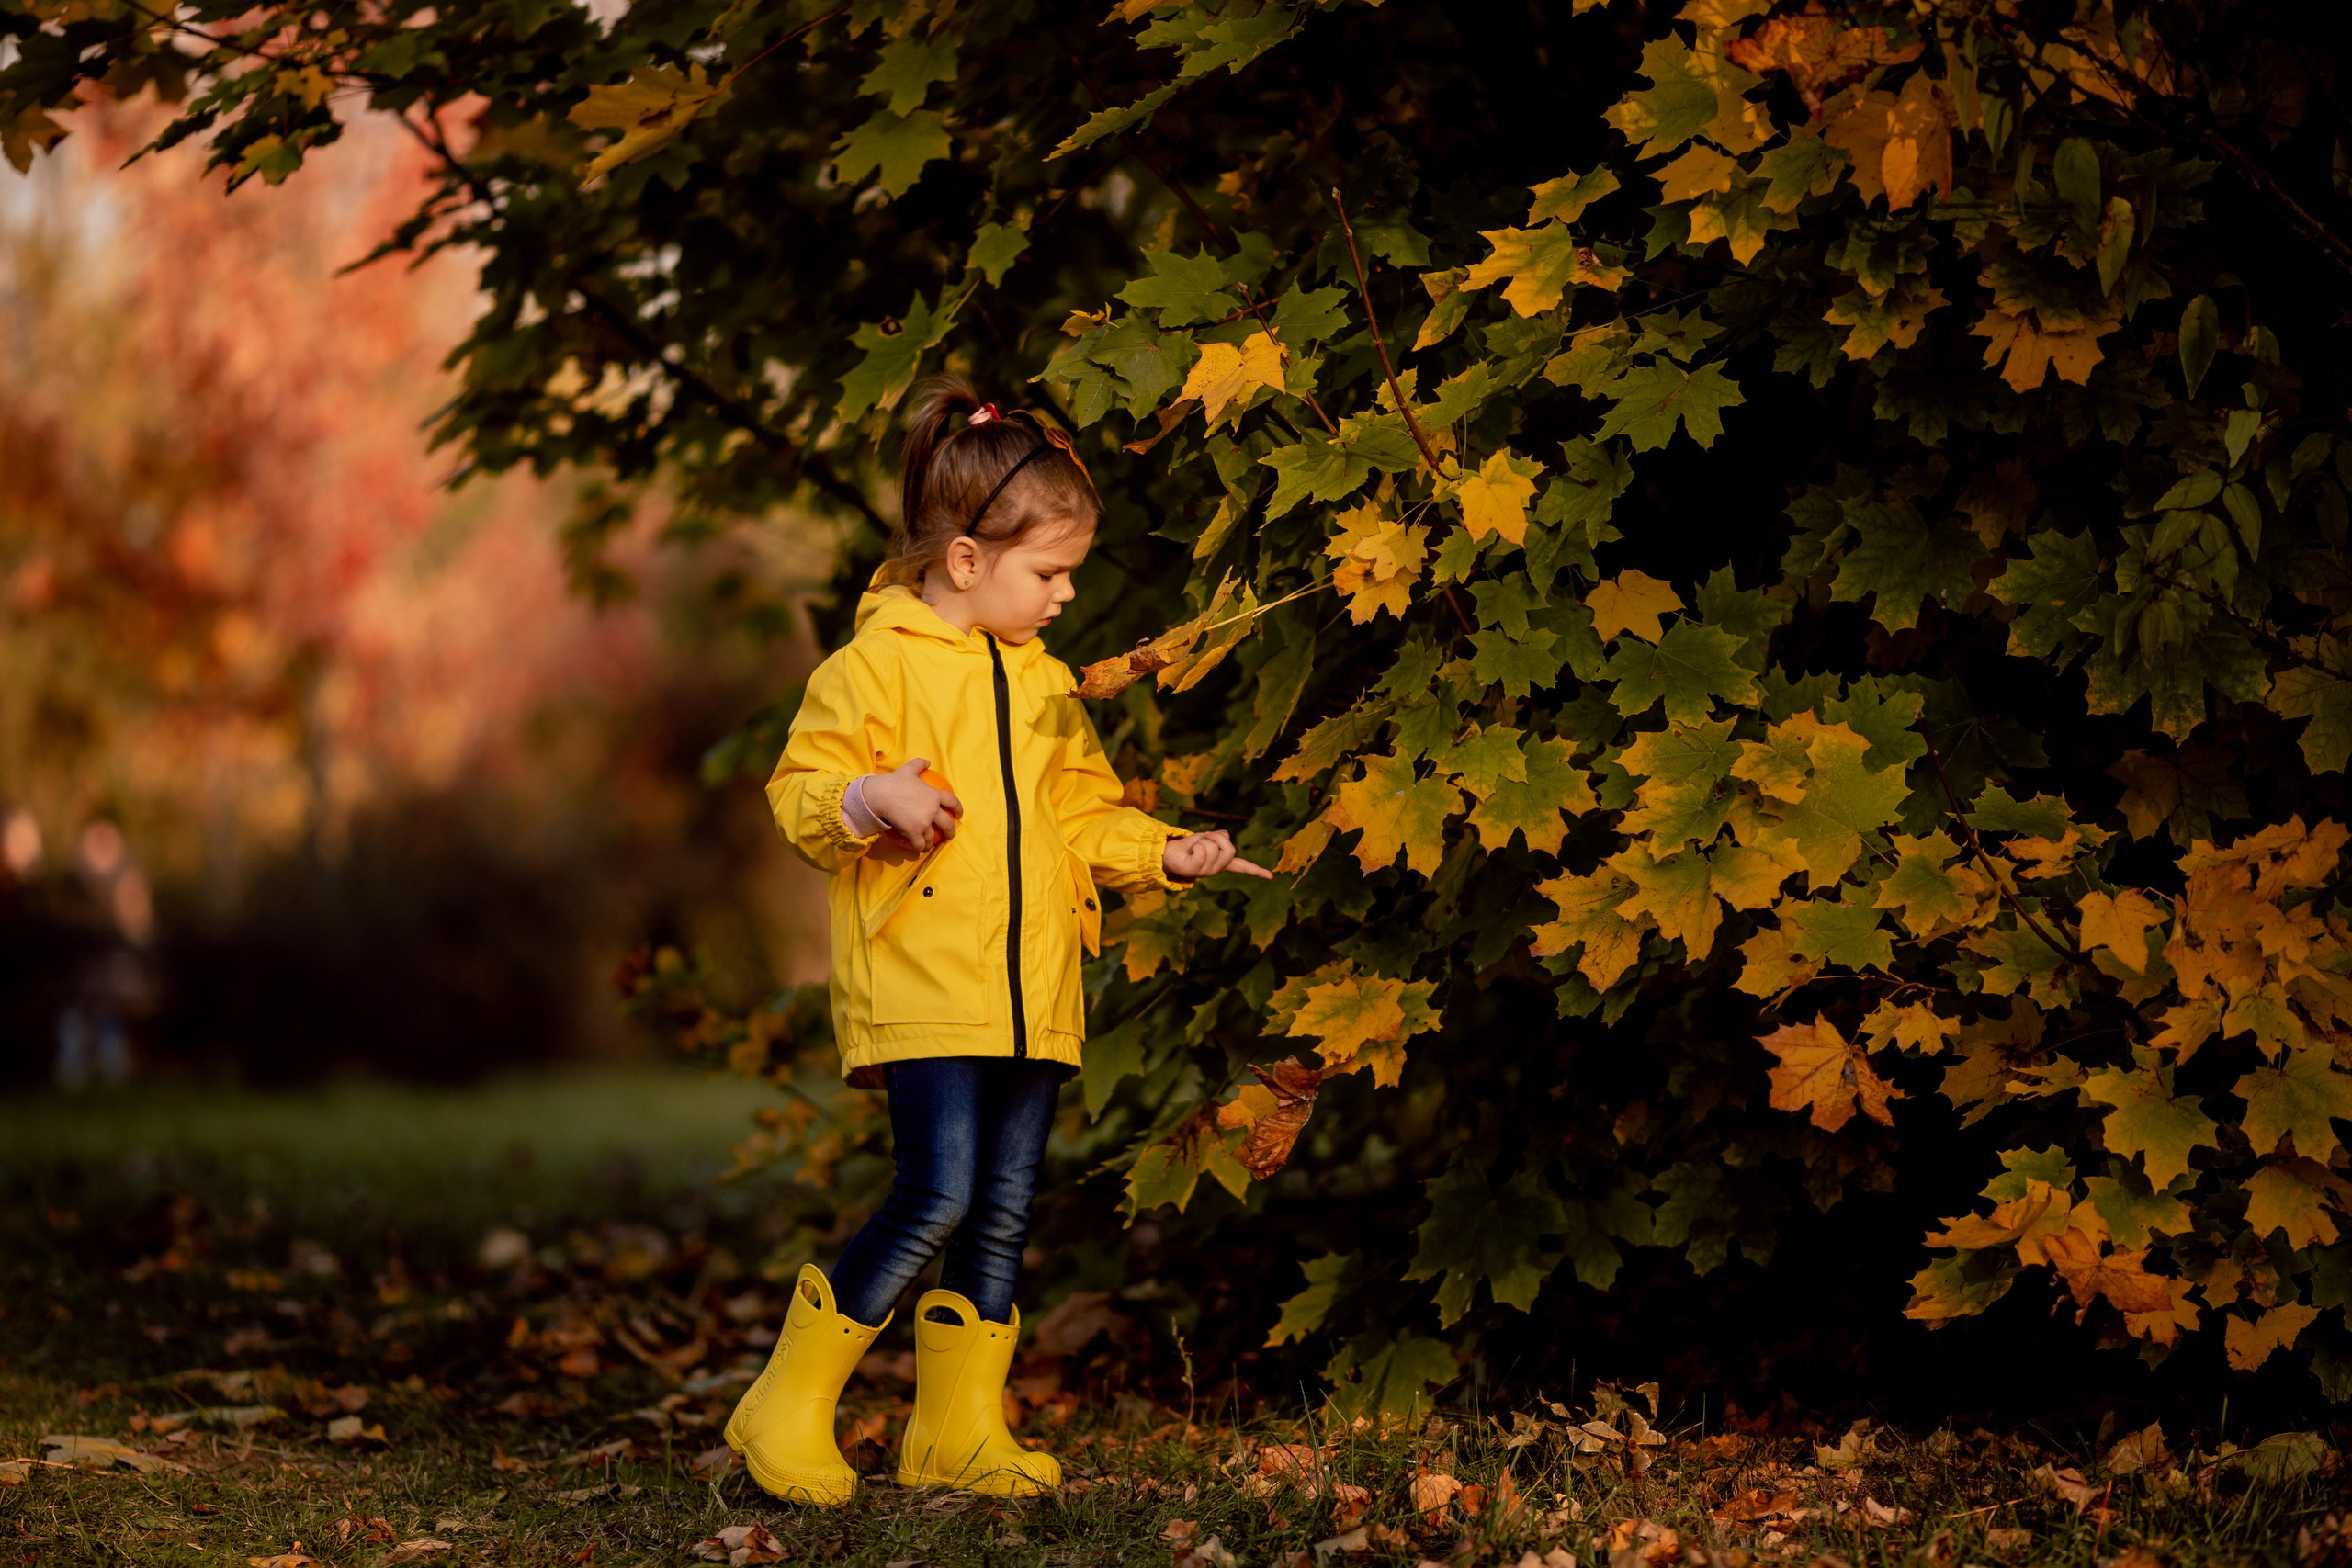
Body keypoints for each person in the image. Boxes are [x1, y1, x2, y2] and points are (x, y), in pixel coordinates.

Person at [725, 377, 1269, 1506]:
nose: (1068, 593)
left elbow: (1080, 813)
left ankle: (957, 1430)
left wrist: (1165, 850)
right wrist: (873, 800)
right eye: (1050, 572)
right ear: (967, 559)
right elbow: (801, 793)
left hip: (1033, 986)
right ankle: (784, 1402)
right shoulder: (872, 667)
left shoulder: (1047, 687)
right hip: (924, 981)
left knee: (1006, 1202)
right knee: (937, 1192)